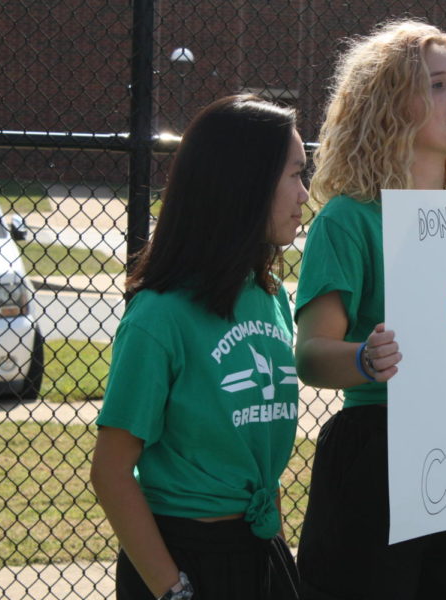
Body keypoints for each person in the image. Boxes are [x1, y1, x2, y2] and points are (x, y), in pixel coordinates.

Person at [293, 20, 446, 600]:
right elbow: (313, 356)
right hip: (379, 449)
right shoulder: (348, 219)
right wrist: (366, 359)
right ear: (390, 106)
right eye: (438, 84)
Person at [90, 95, 307, 600]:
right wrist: (174, 589)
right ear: (245, 185)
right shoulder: (159, 317)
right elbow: (111, 471)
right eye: (294, 175)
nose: (305, 193)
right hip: (181, 561)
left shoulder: (271, 298)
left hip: (256, 551)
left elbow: (259, 463)